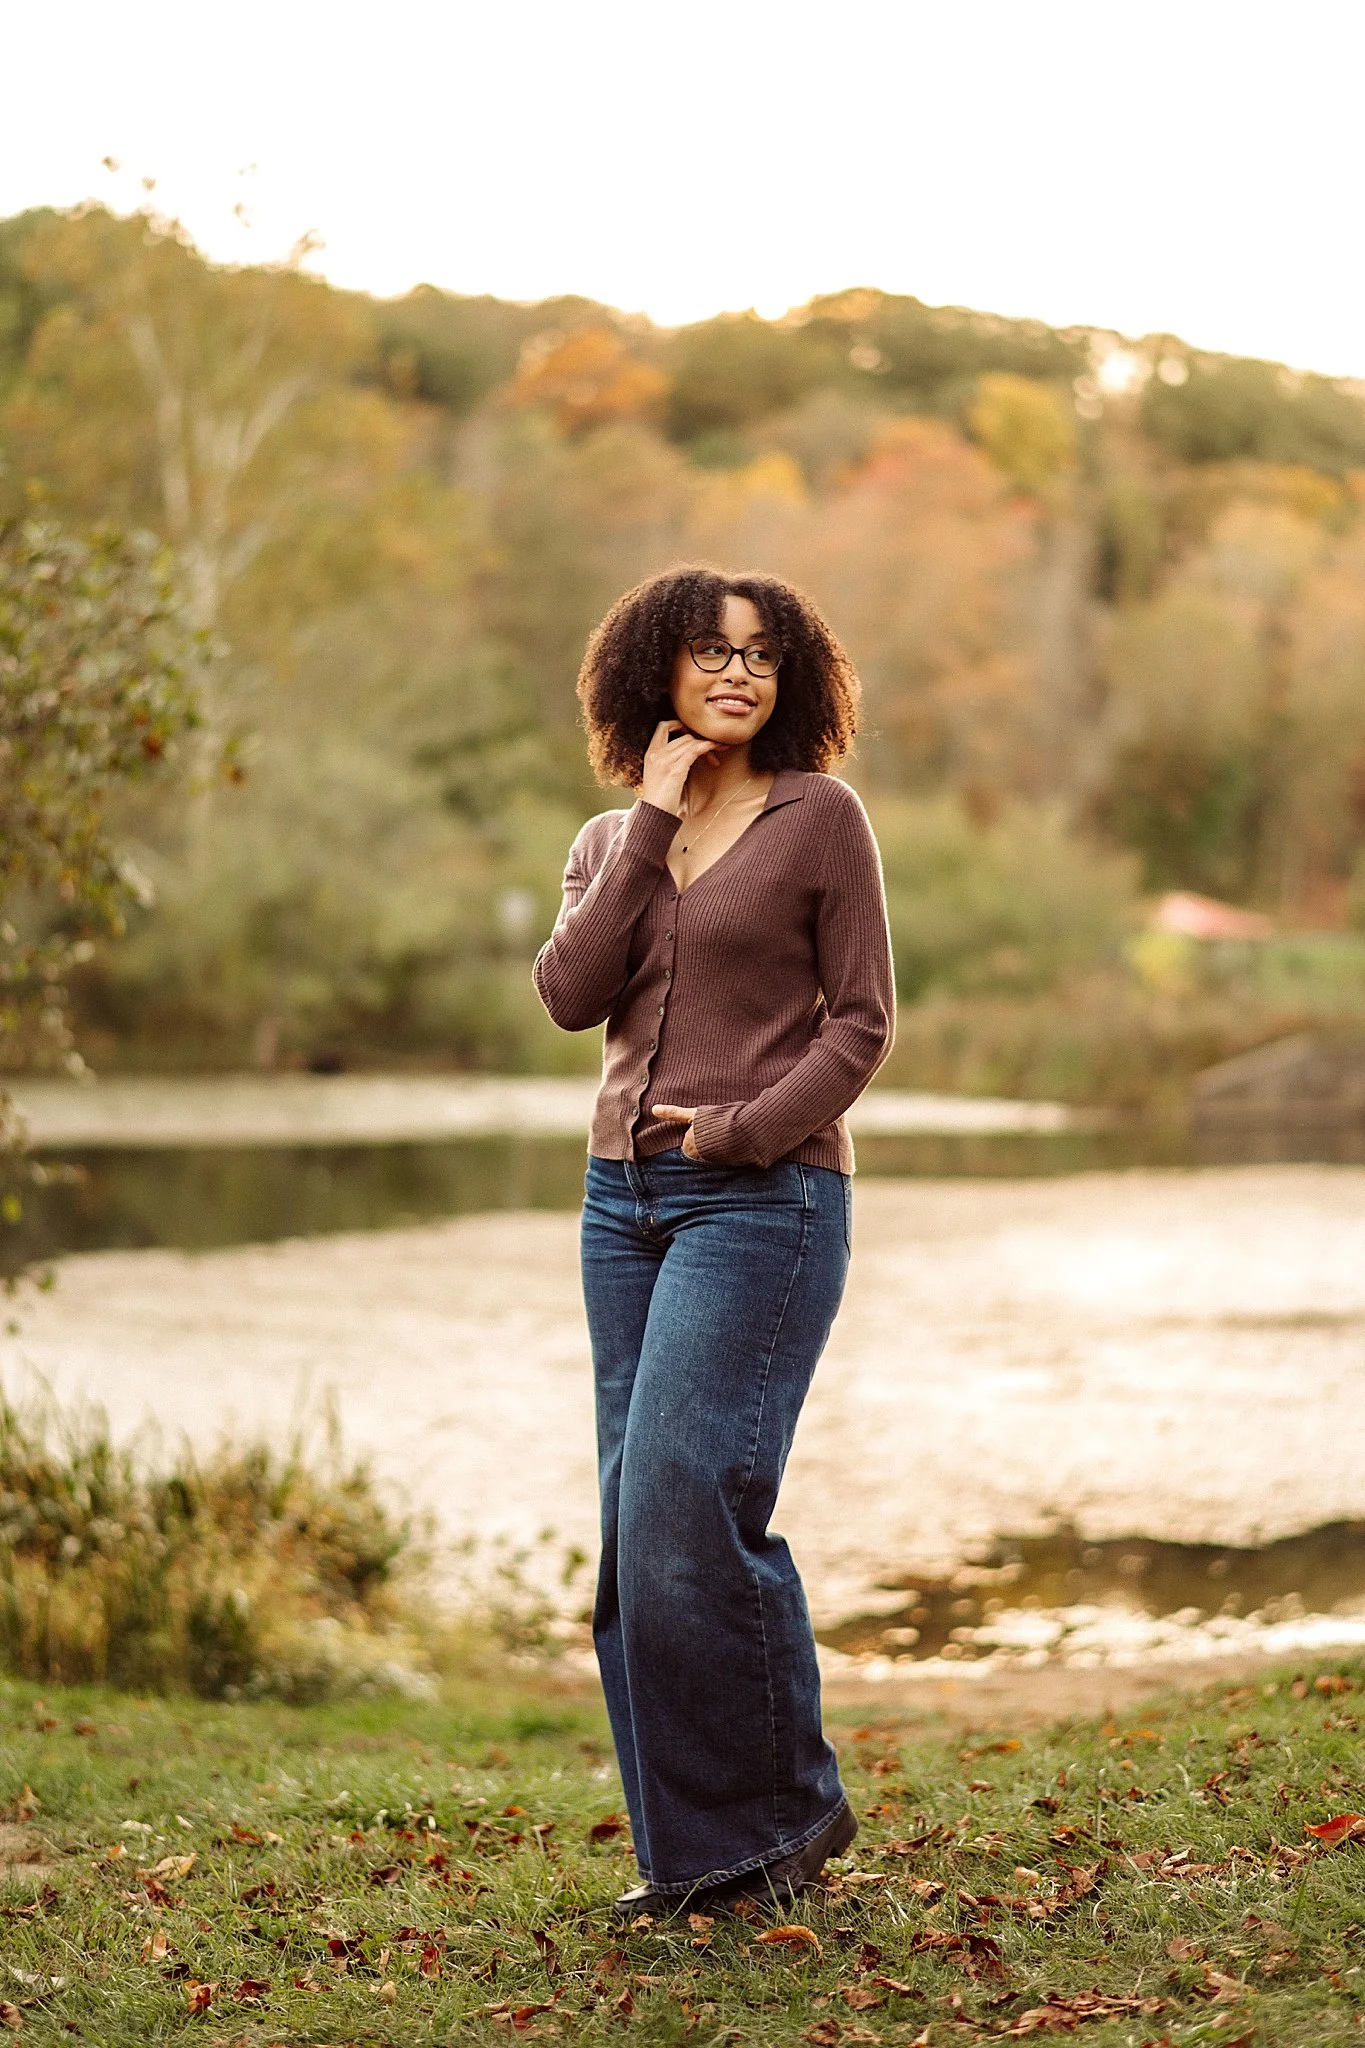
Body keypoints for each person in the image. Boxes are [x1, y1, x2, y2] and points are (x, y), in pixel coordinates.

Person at [533, 565, 895, 1916]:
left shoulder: (821, 822)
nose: (738, 673)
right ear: (656, 677)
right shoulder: (606, 836)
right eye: (709, 653)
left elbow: (862, 1026)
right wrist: (648, 819)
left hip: (768, 1203)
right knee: (640, 1534)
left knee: (691, 1497)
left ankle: (785, 1816)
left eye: (760, 654)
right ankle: (698, 1859)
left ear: (792, 673)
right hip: (616, 1212)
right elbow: (572, 996)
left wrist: (741, 1131)